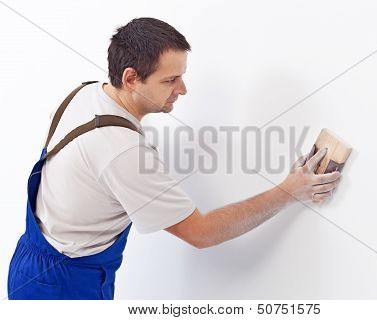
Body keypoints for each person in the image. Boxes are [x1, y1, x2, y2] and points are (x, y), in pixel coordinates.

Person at [7, 17, 341, 300]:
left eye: (181, 76)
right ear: (130, 78)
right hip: (64, 288)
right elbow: (201, 233)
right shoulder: (122, 151)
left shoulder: (84, 92)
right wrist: (288, 190)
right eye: (170, 80)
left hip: (29, 261)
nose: (182, 89)